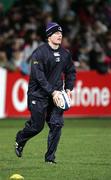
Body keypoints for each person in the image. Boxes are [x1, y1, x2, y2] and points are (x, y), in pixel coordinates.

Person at [15, 22, 76, 164]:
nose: (59, 35)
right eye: (56, 33)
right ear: (49, 36)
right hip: (38, 94)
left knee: (57, 124)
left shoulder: (65, 54)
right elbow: (38, 77)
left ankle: (49, 159)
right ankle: (20, 138)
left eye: (60, 33)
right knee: (37, 126)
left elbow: (71, 72)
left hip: (56, 95)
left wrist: (68, 89)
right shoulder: (39, 53)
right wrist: (52, 92)